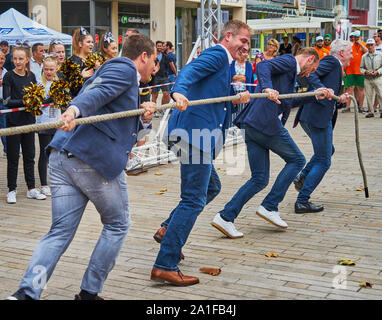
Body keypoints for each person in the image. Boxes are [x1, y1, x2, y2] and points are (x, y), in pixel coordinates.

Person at [6, 33, 157, 301]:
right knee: (118, 225)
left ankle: (27, 294)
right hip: (92, 161)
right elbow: (96, 95)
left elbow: (112, 109)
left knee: (59, 232)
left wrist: (144, 117)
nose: (154, 67)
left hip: (62, 157)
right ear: (143, 56)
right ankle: (89, 293)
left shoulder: (113, 72)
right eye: (153, 60)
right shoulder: (124, 68)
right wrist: (74, 110)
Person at [151, 20, 251, 286]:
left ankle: (167, 229)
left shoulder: (226, 62)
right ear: (228, 36)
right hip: (193, 137)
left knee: (210, 188)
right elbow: (189, 72)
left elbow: (213, 92)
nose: (246, 46)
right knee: (193, 200)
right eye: (243, 40)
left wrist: (235, 95)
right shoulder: (218, 54)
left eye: (248, 43)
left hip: (194, 137)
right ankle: (165, 264)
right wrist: (179, 92)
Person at [210, 48, 326, 238]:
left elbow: (286, 102)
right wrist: (266, 88)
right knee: (297, 160)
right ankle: (270, 205)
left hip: (253, 124)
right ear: (310, 59)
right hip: (265, 124)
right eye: (312, 69)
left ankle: (225, 217)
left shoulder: (290, 73)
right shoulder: (289, 62)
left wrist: (314, 95)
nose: (310, 73)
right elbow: (263, 65)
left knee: (259, 178)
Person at [292, 40, 353, 213]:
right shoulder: (331, 61)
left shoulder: (335, 65)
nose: (352, 55)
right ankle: (302, 200)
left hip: (314, 116)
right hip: (316, 117)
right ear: (341, 52)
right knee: (324, 160)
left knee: (327, 151)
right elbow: (310, 74)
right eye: (349, 52)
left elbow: (330, 94)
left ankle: (302, 176)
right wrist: (321, 89)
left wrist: (339, 99)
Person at [2, 44, 46, 204]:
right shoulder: (8, 77)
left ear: (27, 59)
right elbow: (6, 101)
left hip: (29, 122)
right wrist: (24, 101)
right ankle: (12, 190)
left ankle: (31, 188)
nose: (17, 61)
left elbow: (37, 97)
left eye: (21, 58)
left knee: (30, 156)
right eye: (15, 58)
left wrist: (37, 101)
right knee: (13, 157)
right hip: (13, 123)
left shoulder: (32, 76)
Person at [36, 56, 63, 196]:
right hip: (44, 122)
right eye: (46, 69)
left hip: (57, 122)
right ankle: (44, 184)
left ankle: (56, 181)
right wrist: (48, 99)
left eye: (51, 69)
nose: (48, 71)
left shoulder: (60, 83)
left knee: (56, 153)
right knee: (44, 153)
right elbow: (37, 102)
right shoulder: (40, 83)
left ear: (56, 68)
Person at [343, 31, 367, 113]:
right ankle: (347, 106)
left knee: (361, 89)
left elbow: (367, 52)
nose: (355, 39)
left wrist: (360, 43)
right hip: (350, 71)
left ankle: (360, 107)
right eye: (354, 37)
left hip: (360, 71)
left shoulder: (363, 44)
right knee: (349, 89)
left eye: (357, 37)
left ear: (360, 37)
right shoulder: (350, 45)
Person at [69, 27, 96, 97]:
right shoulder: (72, 62)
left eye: (92, 42)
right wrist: (81, 77)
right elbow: (70, 88)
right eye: (88, 42)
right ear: (80, 44)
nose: (91, 45)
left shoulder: (93, 61)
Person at [360, 38, 382, 118]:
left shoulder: (380, 54)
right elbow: (361, 68)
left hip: (378, 77)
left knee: (380, 94)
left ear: (374, 45)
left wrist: (378, 71)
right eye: (368, 45)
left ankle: (381, 111)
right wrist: (365, 71)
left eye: (371, 45)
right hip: (368, 78)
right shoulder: (364, 56)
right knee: (368, 95)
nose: (370, 47)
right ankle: (370, 111)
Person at [151, 41, 171, 107]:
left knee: (166, 94)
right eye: (158, 45)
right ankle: (154, 110)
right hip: (155, 77)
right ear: (156, 46)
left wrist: (166, 74)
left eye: (160, 46)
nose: (159, 47)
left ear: (162, 47)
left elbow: (167, 66)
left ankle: (163, 108)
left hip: (163, 77)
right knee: (155, 95)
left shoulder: (165, 56)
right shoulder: (153, 56)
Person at [0, 51, 7, 155]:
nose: (0, 60)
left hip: (4, 103)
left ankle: (7, 149)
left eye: (2, 58)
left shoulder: (6, 72)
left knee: (5, 127)